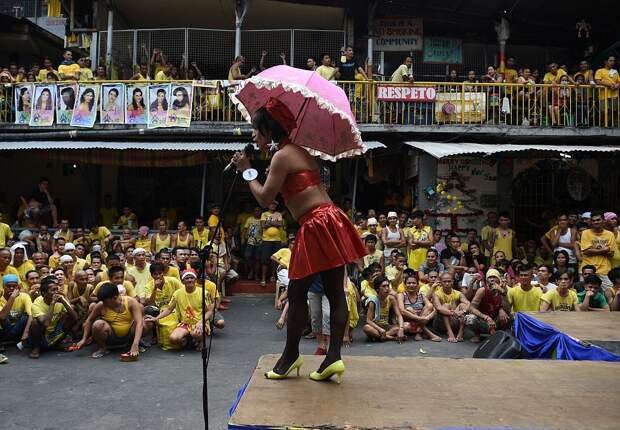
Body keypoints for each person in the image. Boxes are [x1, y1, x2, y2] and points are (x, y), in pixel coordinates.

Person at [230, 97, 366, 382]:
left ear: (268, 129)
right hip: (330, 218)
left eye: (256, 130)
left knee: (297, 293)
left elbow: (265, 197)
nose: (253, 136)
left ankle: (290, 356)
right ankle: (333, 359)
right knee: (334, 291)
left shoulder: (281, 156)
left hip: (315, 222)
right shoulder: (295, 151)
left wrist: (246, 172)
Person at [145, 269, 211, 350]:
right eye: (187, 278)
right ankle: (189, 340)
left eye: (192, 278)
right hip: (185, 323)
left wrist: (201, 322)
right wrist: (156, 318)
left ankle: (200, 341)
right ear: (183, 281)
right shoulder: (177, 293)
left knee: (196, 333)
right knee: (174, 339)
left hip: (200, 322)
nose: (189, 280)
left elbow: (209, 311)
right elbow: (169, 309)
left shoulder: (203, 292)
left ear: (195, 279)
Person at [76, 283, 146, 358]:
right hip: (111, 336)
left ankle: (135, 343)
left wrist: (135, 344)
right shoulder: (101, 305)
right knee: (97, 324)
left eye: (105, 301)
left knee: (145, 322)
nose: (104, 303)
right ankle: (103, 348)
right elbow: (89, 320)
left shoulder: (131, 302)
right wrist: (84, 339)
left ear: (114, 297)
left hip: (130, 333)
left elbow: (139, 323)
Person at [27, 276, 77, 358]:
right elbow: (46, 323)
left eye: (57, 289)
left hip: (54, 331)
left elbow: (75, 318)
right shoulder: (37, 303)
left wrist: (64, 302)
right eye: (53, 290)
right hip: (42, 334)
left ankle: (57, 343)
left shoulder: (60, 299)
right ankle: (36, 348)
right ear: (44, 293)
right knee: (35, 323)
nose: (56, 292)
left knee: (70, 315)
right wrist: (52, 303)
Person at [465, 269, 511, 342]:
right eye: (489, 277)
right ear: (486, 280)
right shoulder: (482, 290)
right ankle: (477, 334)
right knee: (470, 318)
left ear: (499, 279)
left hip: (496, 321)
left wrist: (502, 293)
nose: (492, 279)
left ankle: (499, 335)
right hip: (483, 320)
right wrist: (486, 317)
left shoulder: (503, 290)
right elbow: (471, 309)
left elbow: (508, 309)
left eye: (494, 277)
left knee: (509, 317)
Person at [362, 275, 406, 343]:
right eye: (384, 286)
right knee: (366, 328)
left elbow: (399, 315)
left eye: (388, 286)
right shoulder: (373, 300)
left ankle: (381, 337)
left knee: (401, 327)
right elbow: (368, 320)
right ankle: (392, 338)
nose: (387, 288)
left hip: (386, 327)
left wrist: (401, 329)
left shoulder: (391, 298)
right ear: (377, 289)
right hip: (375, 327)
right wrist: (380, 329)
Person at [397, 274, 440, 341]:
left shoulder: (421, 295)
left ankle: (418, 332)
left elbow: (431, 307)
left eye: (414, 283)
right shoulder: (401, 295)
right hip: (407, 320)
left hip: (421, 318)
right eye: (409, 283)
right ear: (405, 285)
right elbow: (402, 311)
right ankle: (427, 333)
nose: (411, 285)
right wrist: (421, 318)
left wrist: (427, 317)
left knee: (430, 306)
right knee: (409, 310)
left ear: (417, 285)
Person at [579, 211, 617, 289]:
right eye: (593, 220)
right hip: (587, 270)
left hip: (604, 269)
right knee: (585, 294)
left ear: (603, 220)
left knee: (608, 293)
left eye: (598, 220)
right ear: (591, 222)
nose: (596, 222)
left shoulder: (610, 234)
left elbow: (611, 253)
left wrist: (593, 250)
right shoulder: (585, 233)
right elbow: (586, 251)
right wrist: (604, 249)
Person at [432, 272, 470, 342]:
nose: (447, 283)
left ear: (452, 282)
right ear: (440, 283)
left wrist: (462, 311)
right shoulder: (436, 294)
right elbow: (439, 308)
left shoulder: (458, 293)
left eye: (449, 281)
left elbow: (468, 303)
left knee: (463, 305)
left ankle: (460, 332)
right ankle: (450, 332)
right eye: (444, 282)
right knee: (446, 305)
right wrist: (454, 313)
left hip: (454, 321)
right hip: (440, 323)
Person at [0, 274, 32, 344]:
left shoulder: (24, 296)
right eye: (8, 286)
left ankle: (10, 338)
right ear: (3, 286)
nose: (11, 288)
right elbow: (2, 317)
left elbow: (31, 315)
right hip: (5, 328)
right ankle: (12, 338)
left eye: (14, 286)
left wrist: (26, 333)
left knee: (25, 316)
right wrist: (12, 298)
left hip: (20, 328)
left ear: (18, 287)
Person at [260, 202, 283, 287]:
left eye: (275, 205)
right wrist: (274, 223)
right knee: (264, 260)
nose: (273, 205)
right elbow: (263, 225)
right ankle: (263, 279)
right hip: (266, 240)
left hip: (277, 240)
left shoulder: (279, 214)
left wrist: (269, 222)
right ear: (268, 205)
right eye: (271, 204)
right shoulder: (264, 214)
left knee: (275, 259)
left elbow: (280, 224)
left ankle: (273, 276)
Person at [594, 56, 619, 126]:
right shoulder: (600, 70)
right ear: (605, 62)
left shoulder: (615, 71)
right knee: (603, 111)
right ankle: (602, 124)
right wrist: (609, 84)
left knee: (614, 111)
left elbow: (619, 81)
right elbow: (598, 81)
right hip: (603, 95)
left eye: (613, 61)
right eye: (610, 61)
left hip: (614, 94)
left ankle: (610, 124)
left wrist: (617, 85)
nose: (612, 62)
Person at [242, 206, 262, 280]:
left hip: (259, 242)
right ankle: (251, 270)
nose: (257, 212)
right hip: (250, 241)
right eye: (255, 210)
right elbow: (245, 229)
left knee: (257, 259)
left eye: (258, 210)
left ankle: (256, 275)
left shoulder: (262, 220)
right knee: (247, 257)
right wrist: (243, 238)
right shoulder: (250, 219)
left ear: (261, 212)